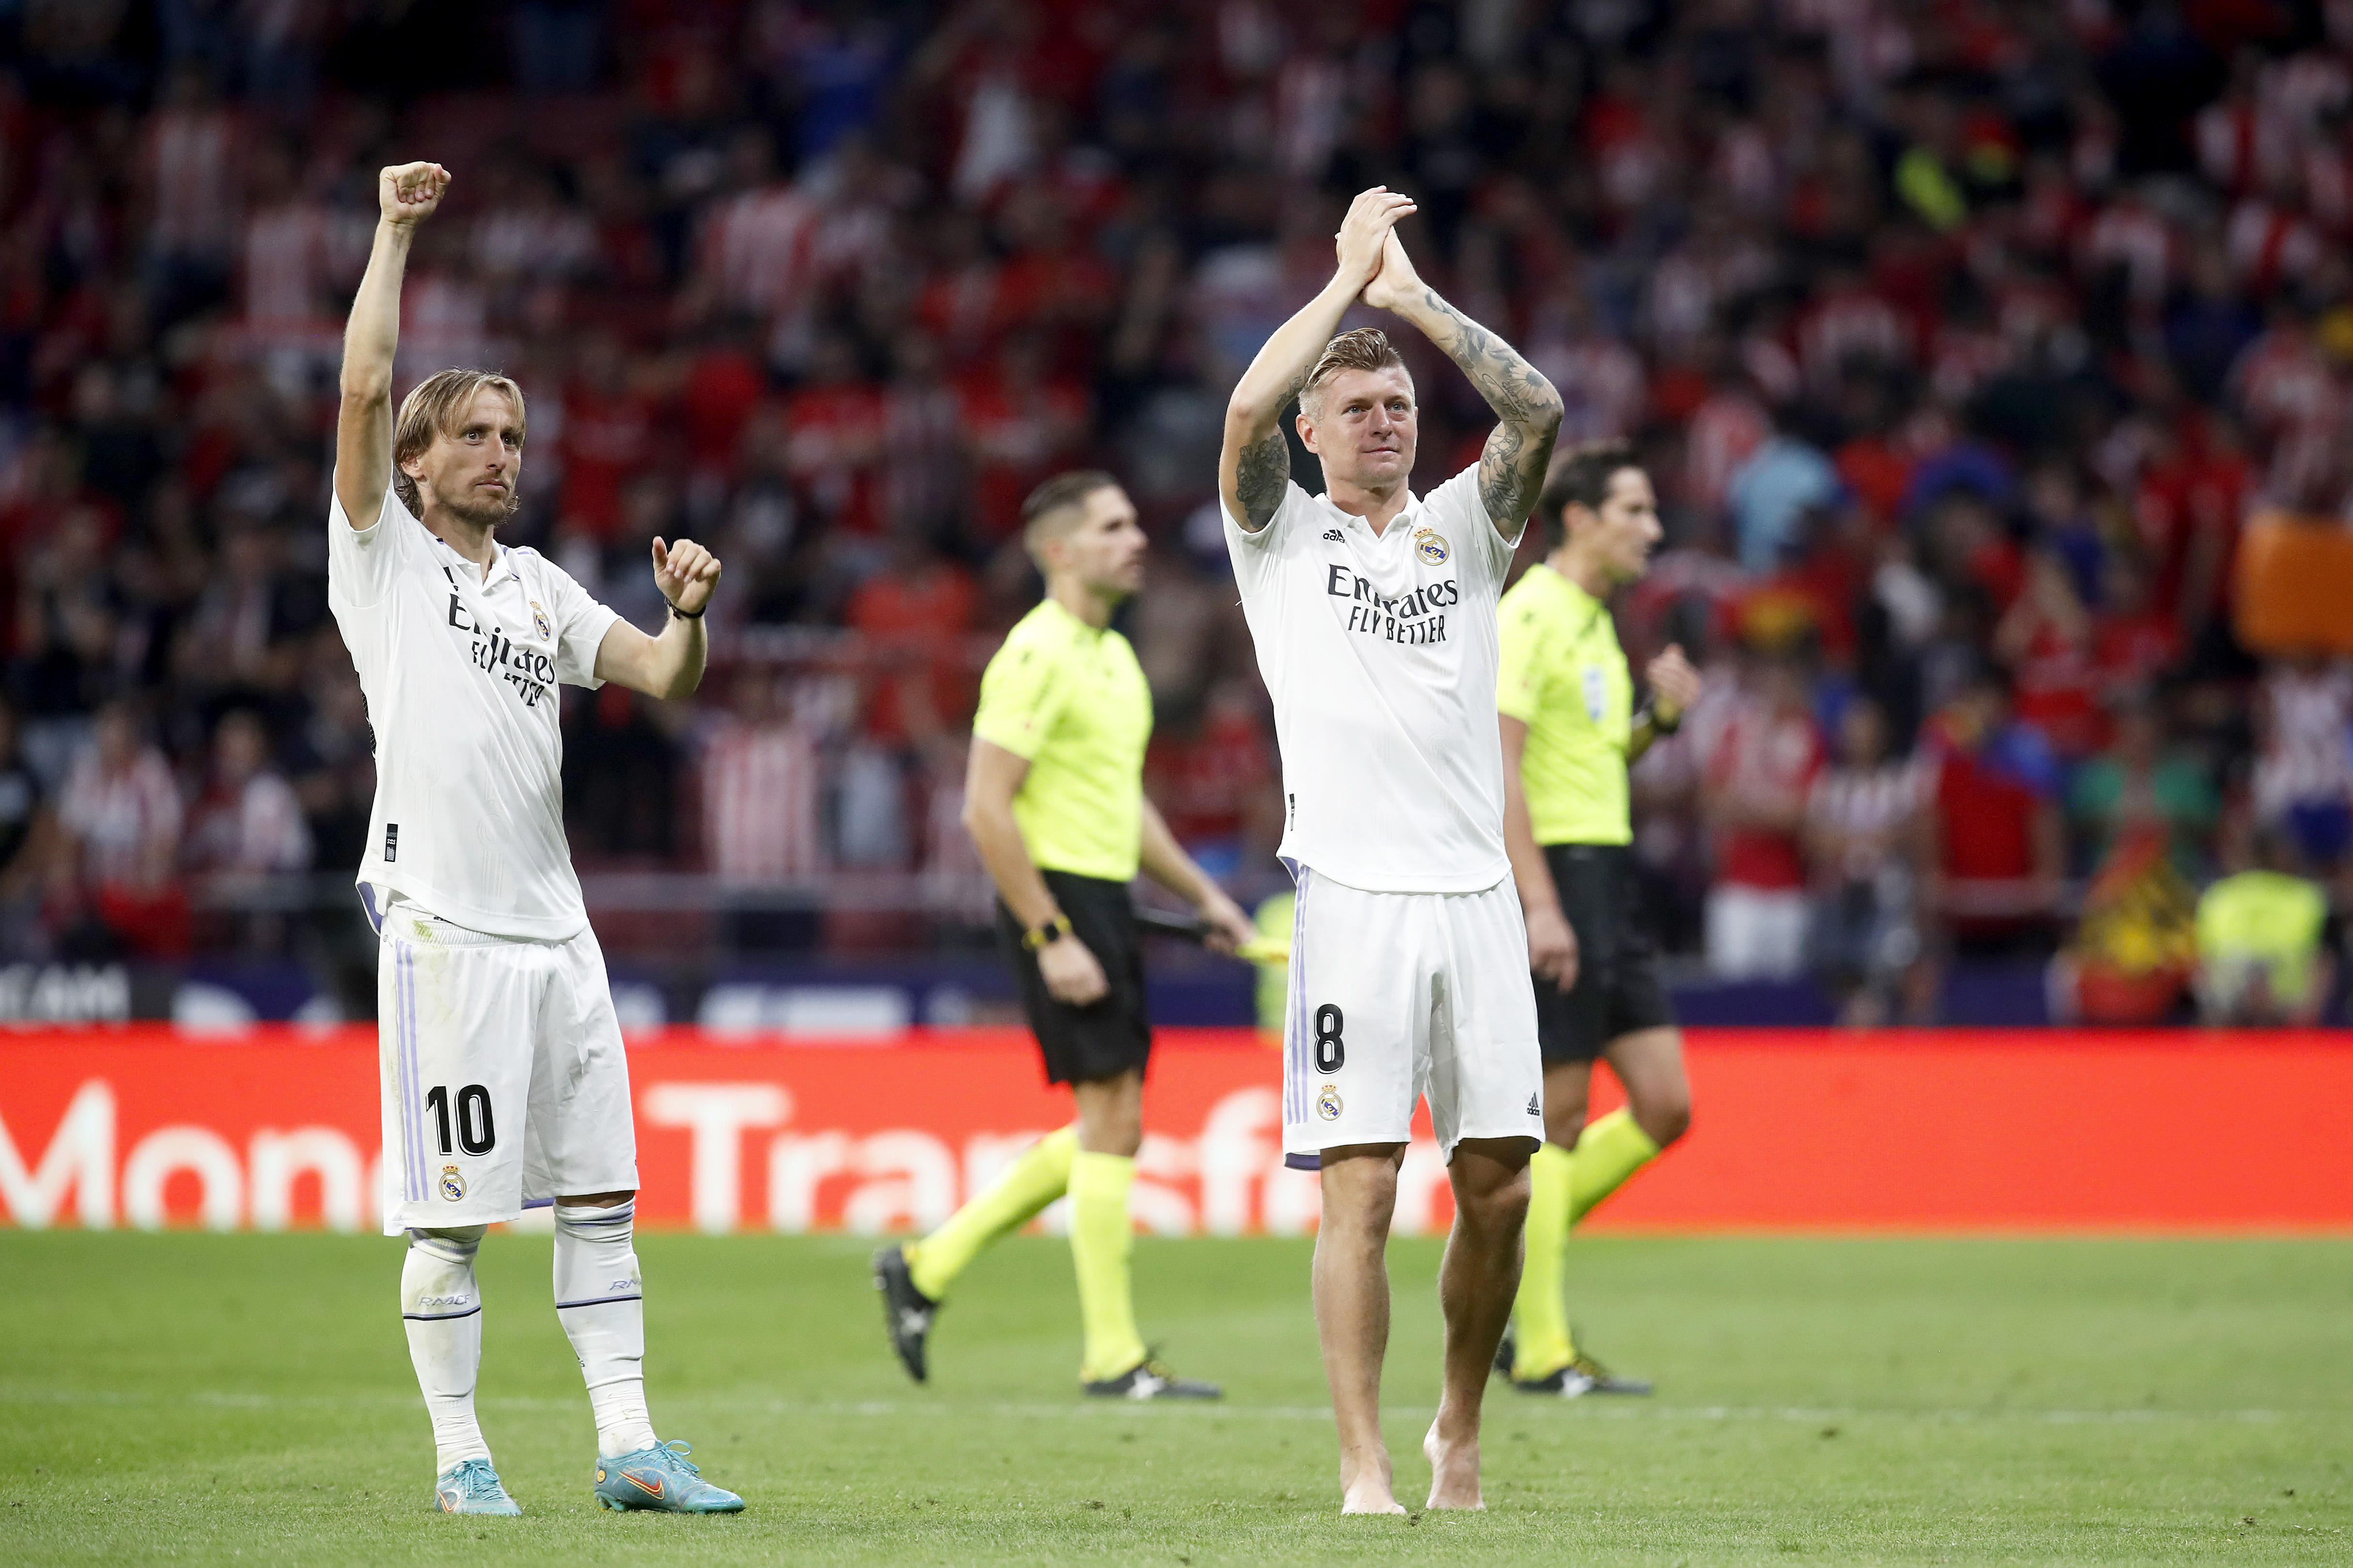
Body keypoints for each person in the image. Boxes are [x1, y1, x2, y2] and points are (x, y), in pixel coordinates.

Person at [329, 163, 740, 1518]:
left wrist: (685, 614)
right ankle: (459, 1457)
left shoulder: (536, 581)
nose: (503, 452)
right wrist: (395, 232)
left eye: (513, 432)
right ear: (416, 462)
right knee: (453, 1218)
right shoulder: (382, 552)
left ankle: (629, 1443)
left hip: (560, 931)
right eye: (476, 435)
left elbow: (663, 678)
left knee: (602, 1199)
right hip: (446, 927)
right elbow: (364, 384)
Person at [1220, 186, 1563, 1514]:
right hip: (1353, 902)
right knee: (1358, 1188)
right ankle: (1362, 1461)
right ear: (1316, 431)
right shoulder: (1280, 536)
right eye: (1358, 406)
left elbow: (1534, 414)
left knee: (1497, 1189)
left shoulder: (1467, 530)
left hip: (1474, 896)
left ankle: (1456, 1421)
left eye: (1400, 404)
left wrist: (1409, 302)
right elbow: (1245, 416)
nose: (1385, 418)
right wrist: (1342, 287)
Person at [872, 470, 1254, 1400]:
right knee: (1114, 1120)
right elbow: (984, 810)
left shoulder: (1113, 658)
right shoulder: (1035, 654)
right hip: (1057, 903)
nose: (1136, 540)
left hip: (1102, 897)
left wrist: (1205, 895)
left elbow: (1121, 804)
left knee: (1108, 1118)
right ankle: (1112, 1355)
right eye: (1113, 526)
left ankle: (927, 1268)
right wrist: (1052, 935)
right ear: (1059, 551)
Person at [1491, 440, 1702, 1398]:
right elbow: (1495, 768)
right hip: (1558, 879)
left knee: (1663, 1104)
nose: (1650, 531)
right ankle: (1538, 1346)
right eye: (1634, 511)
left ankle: (1510, 1261)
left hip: (1606, 876)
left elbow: (1593, 758)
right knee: (1561, 1117)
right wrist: (1538, 901)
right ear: (1577, 518)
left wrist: (1655, 721)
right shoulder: (1528, 614)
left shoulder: (1592, 621)